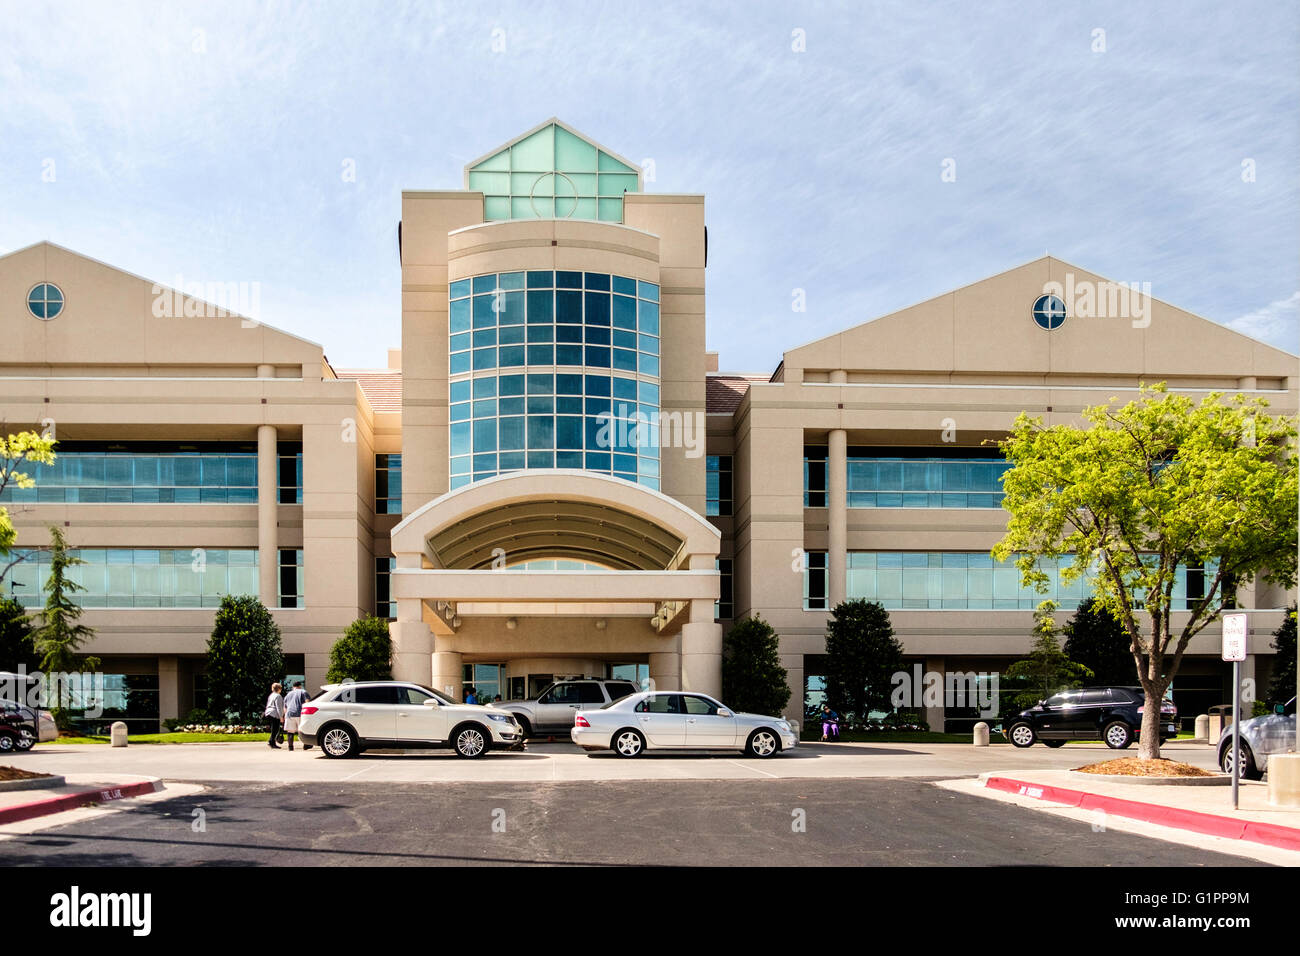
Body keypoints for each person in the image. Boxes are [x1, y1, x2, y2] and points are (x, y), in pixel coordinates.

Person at [282, 681, 309, 751]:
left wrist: (285, 716)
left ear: (293, 687)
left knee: (290, 732)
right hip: (300, 713)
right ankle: (306, 745)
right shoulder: (303, 692)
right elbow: (307, 702)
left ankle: (290, 747)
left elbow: (285, 707)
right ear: (300, 686)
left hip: (289, 714)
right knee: (303, 730)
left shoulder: (288, 694)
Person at [264, 682, 285, 749]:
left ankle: (271, 741)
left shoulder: (271, 695)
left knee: (274, 728)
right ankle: (272, 742)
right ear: (279, 689)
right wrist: (281, 717)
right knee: (275, 729)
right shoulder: (278, 696)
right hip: (274, 713)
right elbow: (278, 707)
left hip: (268, 712)